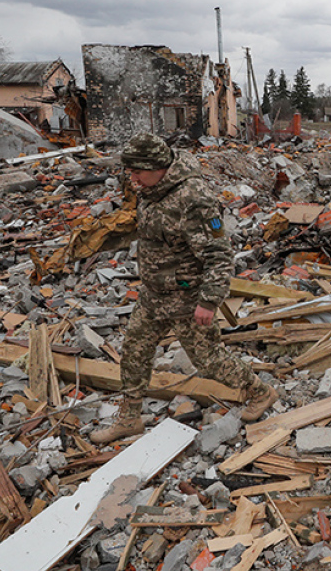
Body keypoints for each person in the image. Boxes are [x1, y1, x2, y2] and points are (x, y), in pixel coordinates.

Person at [90, 133, 278, 445]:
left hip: (187, 298)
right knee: (134, 352)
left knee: (208, 360)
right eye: (130, 172)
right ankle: (129, 418)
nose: (132, 178)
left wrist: (209, 300)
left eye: (137, 172)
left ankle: (260, 392)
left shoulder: (194, 198)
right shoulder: (151, 189)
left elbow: (219, 253)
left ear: (157, 167)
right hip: (153, 295)